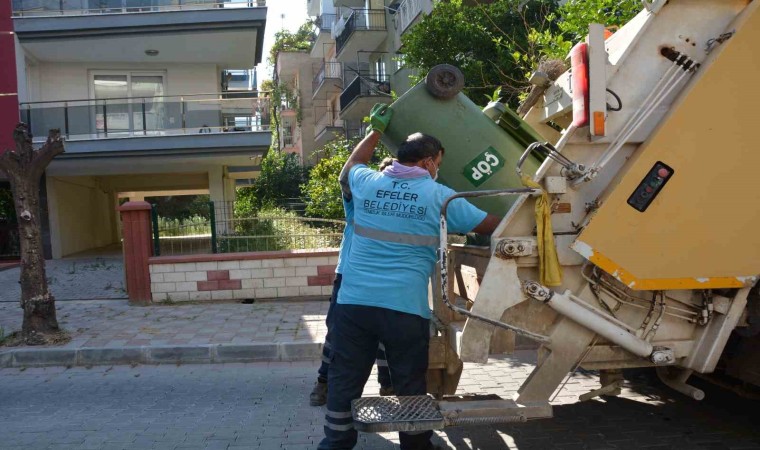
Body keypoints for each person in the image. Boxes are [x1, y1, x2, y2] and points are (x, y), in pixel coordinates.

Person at [318, 104, 501, 450]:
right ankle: (416, 445)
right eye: (438, 163)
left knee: (345, 377)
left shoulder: (368, 183)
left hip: (354, 303)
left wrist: (375, 131)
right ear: (429, 161)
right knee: (409, 382)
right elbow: (490, 224)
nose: (437, 170)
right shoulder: (440, 197)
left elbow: (350, 168)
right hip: (404, 308)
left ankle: (335, 443)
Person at [309, 176, 394, 406]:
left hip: (381, 278)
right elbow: (345, 178)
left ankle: (388, 383)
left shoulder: (393, 212)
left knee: (384, 332)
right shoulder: (358, 205)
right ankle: (324, 382)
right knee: (336, 331)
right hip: (348, 276)